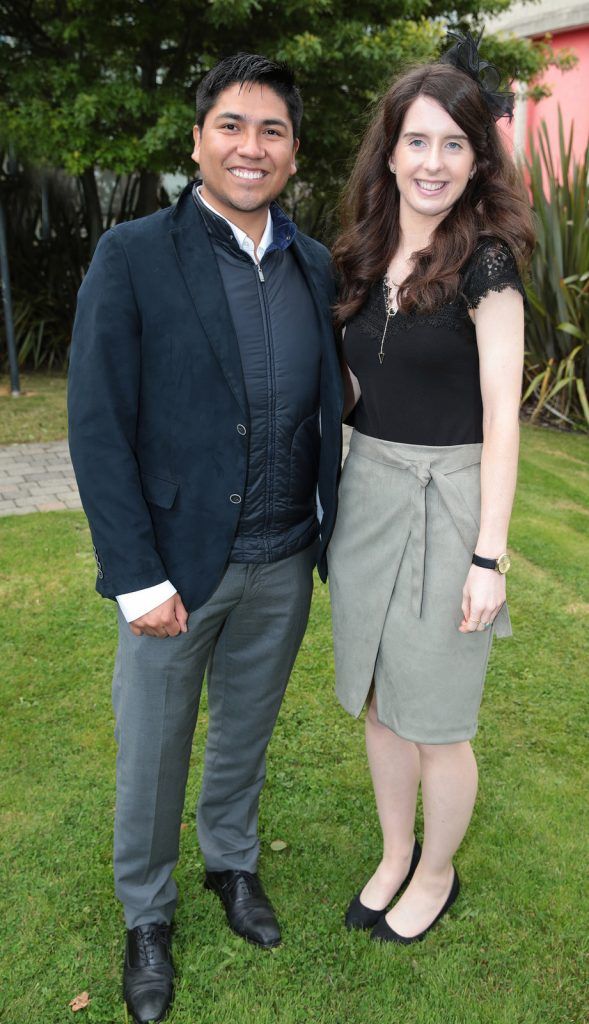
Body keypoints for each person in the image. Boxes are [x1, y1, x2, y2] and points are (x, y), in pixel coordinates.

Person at [68, 53, 342, 1024]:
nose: (250, 146)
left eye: (270, 130)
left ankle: (232, 863)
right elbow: (97, 423)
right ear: (197, 141)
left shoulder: (312, 262)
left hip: (281, 555)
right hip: (176, 566)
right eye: (231, 125)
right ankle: (146, 911)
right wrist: (136, 576)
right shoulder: (134, 254)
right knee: (153, 746)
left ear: (293, 152)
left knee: (245, 733)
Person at [328, 32, 534, 945]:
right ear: (390, 150)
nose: (433, 162)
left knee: (437, 719)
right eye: (417, 140)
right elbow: (360, 382)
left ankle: (437, 872)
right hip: (367, 493)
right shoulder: (364, 252)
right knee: (379, 699)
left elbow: (501, 413)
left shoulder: (486, 262)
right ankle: (392, 849)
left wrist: (486, 556)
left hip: (449, 505)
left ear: (476, 158)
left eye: (454, 143)